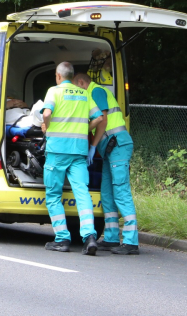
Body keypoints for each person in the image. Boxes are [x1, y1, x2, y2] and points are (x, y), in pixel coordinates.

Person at [40, 62, 105, 255]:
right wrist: (85, 129)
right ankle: (90, 237)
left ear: (58, 76)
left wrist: (46, 126)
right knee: (82, 193)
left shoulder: (54, 91)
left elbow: (46, 113)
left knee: (53, 195)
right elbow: (99, 118)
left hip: (57, 151)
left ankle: (62, 239)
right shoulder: (84, 94)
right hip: (78, 151)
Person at [73, 72, 139, 255]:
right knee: (107, 193)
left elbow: (102, 120)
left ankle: (131, 242)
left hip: (118, 145)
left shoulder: (96, 91)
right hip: (110, 148)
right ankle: (111, 237)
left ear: (81, 82)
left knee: (120, 190)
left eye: (76, 88)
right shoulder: (91, 94)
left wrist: (93, 145)